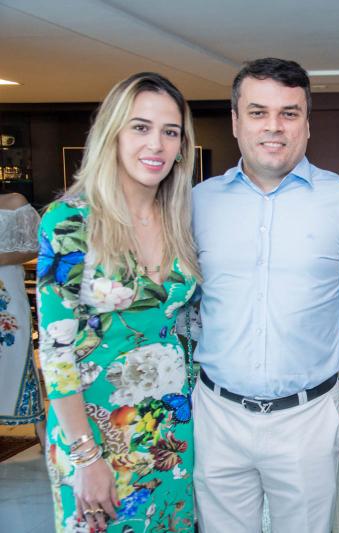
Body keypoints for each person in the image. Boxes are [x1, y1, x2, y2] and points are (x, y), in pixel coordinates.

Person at [191, 57, 339, 533]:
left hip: (307, 418)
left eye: (289, 113)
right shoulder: (197, 202)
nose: (273, 126)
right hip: (217, 415)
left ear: (307, 124)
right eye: (258, 112)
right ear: (236, 121)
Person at [37, 72, 199, 532]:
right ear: (113, 133)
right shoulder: (70, 221)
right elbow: (56, 352)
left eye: (170, 132)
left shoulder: (180, 218)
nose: (156, 144)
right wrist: (85, 457)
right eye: (140, 127)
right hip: (95, 436)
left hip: (171, 432)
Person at [0, 192, 45, 443]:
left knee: (17, 352)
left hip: (7, 293)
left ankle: (40, 426)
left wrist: (3, 258)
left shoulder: (15, 202)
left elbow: (38, 244)